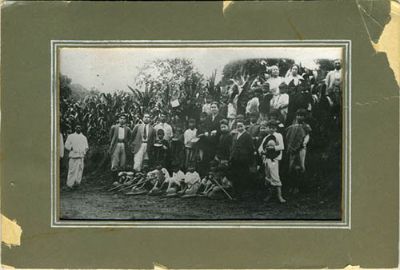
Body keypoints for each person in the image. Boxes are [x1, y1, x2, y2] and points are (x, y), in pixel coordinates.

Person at [258, 120, 286, 203]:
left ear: (276, 128)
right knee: (268, 177)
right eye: (270, 128)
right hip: (267, 159)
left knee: (275, 176)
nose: (271, 129)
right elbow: (260, 148)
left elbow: (282, 146)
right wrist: (262, 152)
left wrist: (273, 148)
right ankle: (270, 195)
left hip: (274, 158)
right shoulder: (266, 137)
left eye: (273, 128)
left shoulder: (278, 135)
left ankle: (279, 196)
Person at [286, 109, 312, 193]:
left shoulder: (306, 126)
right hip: (292, 149)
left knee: (300, 166)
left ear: (304, 117)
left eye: (301, 115)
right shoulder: (292, 126)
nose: (299, 117)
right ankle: (291, 186)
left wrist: (304, 143)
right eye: (298, 115)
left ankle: (299, 187)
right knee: (291, 167)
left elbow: (307, 136)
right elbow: (288, 136)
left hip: (301, 148)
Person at [229, 119, 254, 199]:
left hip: (243, 159)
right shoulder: (235, 135)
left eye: (241, 126)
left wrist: (249, 159)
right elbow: (232, 147)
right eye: (238, 126)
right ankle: (235, 192)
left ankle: (241, 194)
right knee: (235, 176)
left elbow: (251, 149)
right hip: (235, 158)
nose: (239, 128)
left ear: (244, 126)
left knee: (242, 176)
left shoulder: (247, 136)